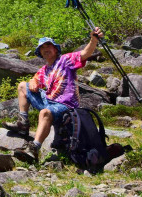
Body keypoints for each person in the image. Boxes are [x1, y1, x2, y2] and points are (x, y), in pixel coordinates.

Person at [6, 27, 103, 162]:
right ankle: (23, 123)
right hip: (49, 101)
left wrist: (93, 40)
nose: (45, 49)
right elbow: (35, 79)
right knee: (23, 86)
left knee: (44, 113)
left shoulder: (65, 60)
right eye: (42, 47)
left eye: (48, 46)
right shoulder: (44, 70)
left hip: (66, 105)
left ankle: (34, 148)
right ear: (40, 52)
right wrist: (33, 81)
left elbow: (85, 53)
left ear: (55, 49)